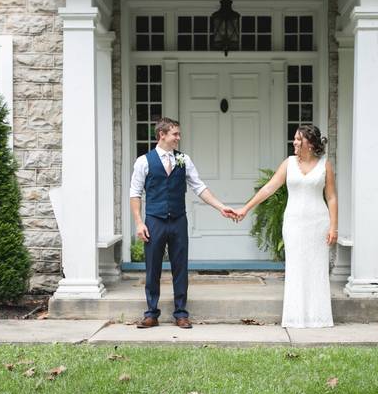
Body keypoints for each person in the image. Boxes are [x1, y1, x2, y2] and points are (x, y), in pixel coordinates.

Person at [129, 117, 237, 329]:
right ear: (162, 135)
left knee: (181, 267)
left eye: (178, 134)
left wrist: (220, 206)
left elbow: (199, 187)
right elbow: (135, 194)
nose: (179, 138)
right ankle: (151, 313)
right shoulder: (144, 161)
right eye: (175, 134)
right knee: (153, 268)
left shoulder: (184, 160)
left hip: (178, 220)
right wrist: (139, 223)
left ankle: (181, 313)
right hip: (154, 221)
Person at [234, 125, 337, 328]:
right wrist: (245, 208)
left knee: (316, 268)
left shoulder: (325, 165)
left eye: (299, 140)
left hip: (318, 222)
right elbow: (269, 188)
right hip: (294, 223)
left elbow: (331, 197)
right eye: (295, 139)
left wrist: (333, 227)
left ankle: (319, 317)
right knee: (296, 267)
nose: (295, 143)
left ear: (310, 143)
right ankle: (295, 317)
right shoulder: (289, 163)